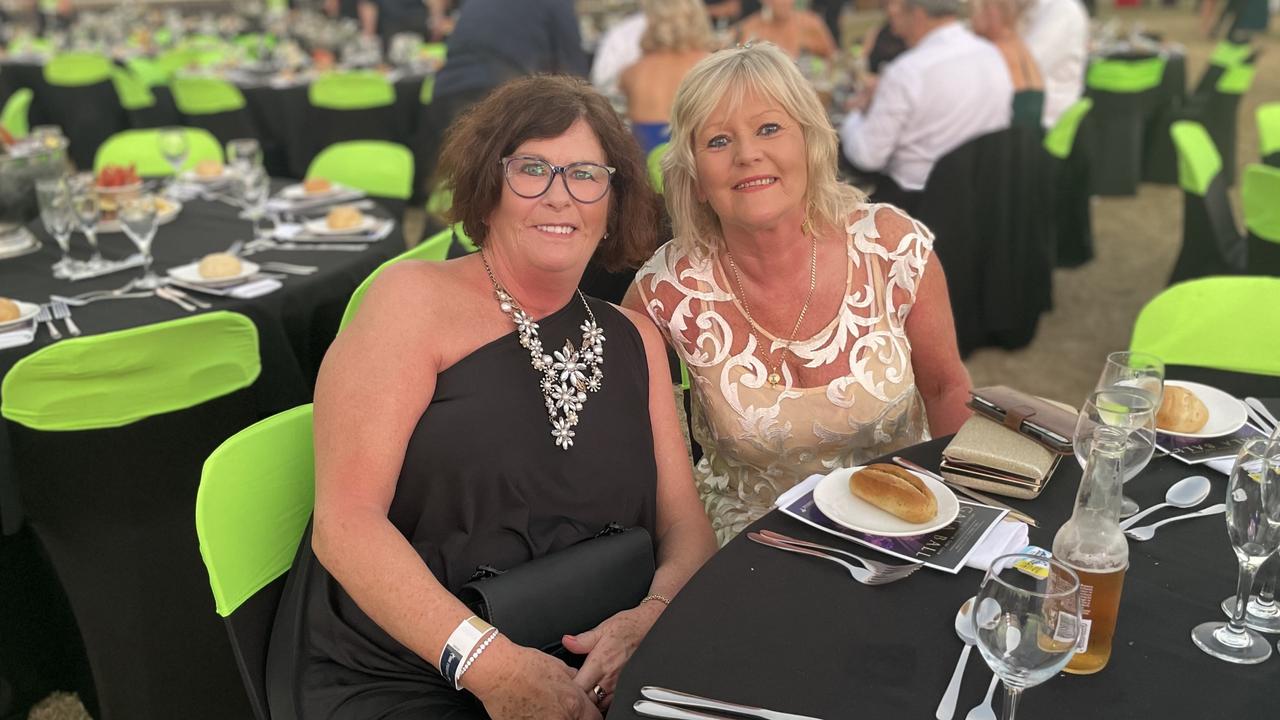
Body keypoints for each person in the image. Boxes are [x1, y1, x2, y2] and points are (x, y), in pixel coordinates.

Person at [267, 75, 717, 719]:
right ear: (487, 187)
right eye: (532, 169)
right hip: (413, 661)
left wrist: (652, 618)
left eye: (586, 174)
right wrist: (489, 665)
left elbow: (685, 525)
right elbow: (345, 525)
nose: (560, 197)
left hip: (590, 655)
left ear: (614, 200)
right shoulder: (409, 303)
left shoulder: (636, 338)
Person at [624, 43, 972, 545]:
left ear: (809, 144)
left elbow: (945, 389)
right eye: (719, 141)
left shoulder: (891, 248)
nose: (748, 155)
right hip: (753, 543)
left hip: (900, 523)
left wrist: (955, 514)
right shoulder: (666, 293)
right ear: (696, 178)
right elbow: (653, 462)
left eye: (769, 128)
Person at [839, 0, 1011, 203]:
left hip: (916, 203)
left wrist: (854, 116)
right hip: (981, 196)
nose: (890, 9)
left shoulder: (908, 72)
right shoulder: (991, 54)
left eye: (896, 4)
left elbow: (866, 156)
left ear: (918, 14)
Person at [621, 0, 714, 154]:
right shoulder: (711, 65)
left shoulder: (631, 72)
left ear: (651, 22)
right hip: (694, 156)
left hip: (648, 161)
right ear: (697, 18)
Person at [970, 0, 1044, 132]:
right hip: (1028, 143)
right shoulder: (1022, 48)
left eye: (975, 11)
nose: (972, 20)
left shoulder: (994, 53)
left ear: (991, 13)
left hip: (1002, 142)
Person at [1020, 0, 1087, 128]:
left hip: (1046, 120)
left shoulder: (1061, 8)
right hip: (1032, 111)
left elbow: (1027, 67)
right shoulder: (1033, 8)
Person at [736, 0, 837, 59]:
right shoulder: (751, 27)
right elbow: (743, 62)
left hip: (806, 85)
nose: (784, 2)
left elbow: (833, 57)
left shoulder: (810, 23)